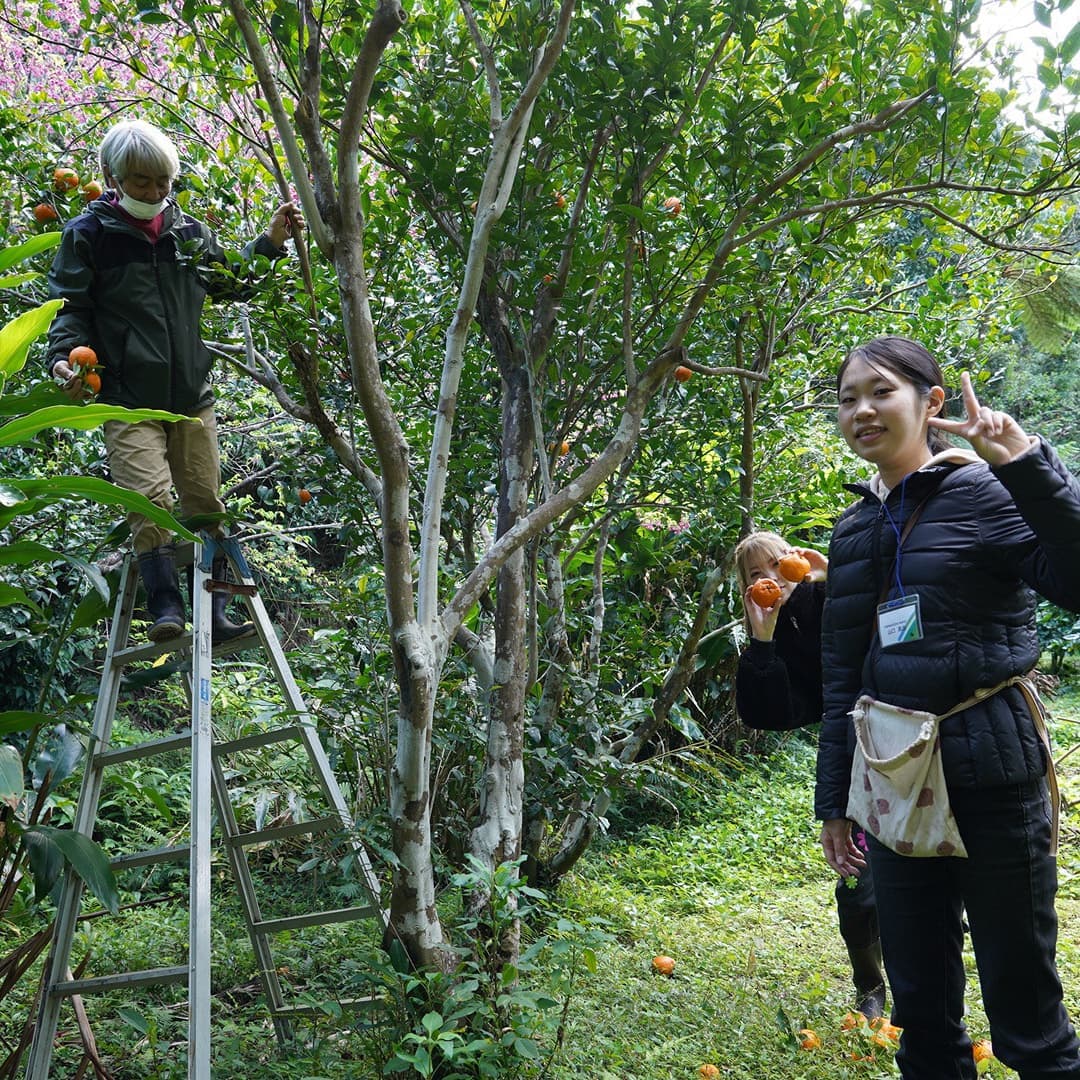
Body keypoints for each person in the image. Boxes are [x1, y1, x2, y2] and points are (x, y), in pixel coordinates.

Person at [816, 334, 1080, 1078]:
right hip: (894, 783)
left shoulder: (986, 491)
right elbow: (843, 677)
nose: (862, 411)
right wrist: (834, 802)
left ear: (931, 403)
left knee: (1026, 1012)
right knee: (923, 1011)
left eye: (881, 392)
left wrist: (1024, 462)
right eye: (848, 399)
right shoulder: (855, 527)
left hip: (990, 770)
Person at [46, 118, 302, 643]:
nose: (154, 192)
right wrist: (62, 361)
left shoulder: (188, 234)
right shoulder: (89, 235)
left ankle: (215, 612)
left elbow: (230, 282)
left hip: (190, 395)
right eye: (141, 182)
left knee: (205, 502)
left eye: (163, 181)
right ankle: (165, 604)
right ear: (112, 177)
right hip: (127, 397)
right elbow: (70, 308)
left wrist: (271, 242)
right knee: (149, 500)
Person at [733, 532, 886, 1020]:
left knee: (919, 866)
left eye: (776, 565)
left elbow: (883, 615)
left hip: (904, 737)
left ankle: (920, 978)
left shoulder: (829, 595)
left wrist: (833, 577)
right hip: (851, 757)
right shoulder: (772, 630)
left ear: (795, 563)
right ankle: (869, 984)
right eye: (755, 574)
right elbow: (772, 714)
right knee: (857, 877)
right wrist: (762, 641)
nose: (770, 579)